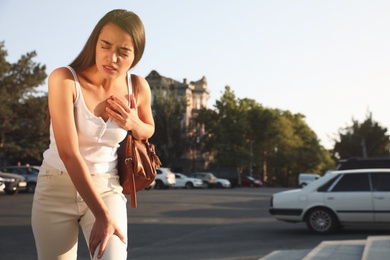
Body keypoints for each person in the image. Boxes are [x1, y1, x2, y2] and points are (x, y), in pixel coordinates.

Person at [31, 9, 154, 260]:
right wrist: (101, 215)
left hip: (106, 187)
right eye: (105, 46)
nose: (112, 58)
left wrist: (132, 122)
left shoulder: (138, 87)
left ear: (136, 55)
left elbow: (148, 129)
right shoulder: (64, 79)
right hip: (56, 186)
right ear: (94, 44)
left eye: (123, 51)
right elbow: (68, 153)